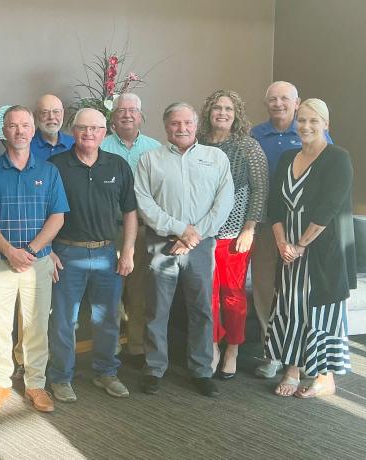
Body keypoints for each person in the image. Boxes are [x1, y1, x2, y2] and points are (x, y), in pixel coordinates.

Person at [0, 105, 68, 413]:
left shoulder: (49, 171)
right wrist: (10, 251)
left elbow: (57, 217)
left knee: (36, 325)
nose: (20, 131)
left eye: (25, 125)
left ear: (32, 129)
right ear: (5, 132)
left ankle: (36, 384)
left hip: (37, 263)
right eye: (13, 126)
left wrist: (32, 250)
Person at [134, 102, 233, 397]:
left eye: (187, 123)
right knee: (157, 309)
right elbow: (144, 203)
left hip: (201, 246)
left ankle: (201, 371)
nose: (182, 128)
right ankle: (154, 368)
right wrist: (180, 229)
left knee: (202, 309)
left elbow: (223, 201)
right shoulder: (149, 160)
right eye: (176, 123)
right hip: (161, 243)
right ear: (166, 127)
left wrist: (194, 235)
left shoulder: (216, 158)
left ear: (196, 125)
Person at [266, 98, 354, 398]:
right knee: (290, 306)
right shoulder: (288, 156)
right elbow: (275, 207)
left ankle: (324, 376)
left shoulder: (337, 158)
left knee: (320, 311)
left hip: (320, 251)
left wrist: (301, 244)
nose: (306, 126)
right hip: (288, 250)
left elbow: (329, 208)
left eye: (314, 121)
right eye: (301, 120)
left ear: (326, 125)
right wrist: (282, 243)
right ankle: (291, 368)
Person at [48, 108, 137, 402]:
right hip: (66, 252)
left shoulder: (118, 166)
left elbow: (130, 212)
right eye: (83, 128)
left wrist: (128, 251)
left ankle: (106, 373)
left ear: (105, 132)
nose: (89, 134)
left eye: (96, 128)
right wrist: (47, 251)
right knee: (64, 320)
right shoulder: (55, 166)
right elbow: (42, 213)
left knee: (108, 318)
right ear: (73, 131)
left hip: (106, 254)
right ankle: (61, 377)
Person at [250, 81, 333, 378]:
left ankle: (300, 358)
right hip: (267, 223)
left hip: (304, 229)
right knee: (263, 288)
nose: (278, 103)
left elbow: (330, 183)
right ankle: (270, 351)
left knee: (298, 293)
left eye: (285, 98)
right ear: (266, 103)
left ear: (296, 103)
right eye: (272, 98)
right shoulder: (256, 135)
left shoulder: (312, 133)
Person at [196, 90, 268, 379]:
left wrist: (249, 229)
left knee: (232, 294)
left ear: (236, 114)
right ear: (208, 112)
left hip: (234, 233)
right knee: (207, 295)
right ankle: (212, 344)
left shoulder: (248, 147)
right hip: (202, 233)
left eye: (228, 108)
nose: (222, 113)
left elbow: (261, 190)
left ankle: (233, 349)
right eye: (217, 108)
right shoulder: (197, 144)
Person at [100, 93, 162, 366]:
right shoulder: (100, 147)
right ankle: (111, 347)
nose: (127, 114)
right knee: (112, 293)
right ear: (112, 117)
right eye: (121, 110)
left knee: (139, 293)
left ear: (141, 116)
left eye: (132, 110)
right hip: (110, 231)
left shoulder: (156, 148)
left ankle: (136, 346)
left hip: (144, 232)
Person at [30, 94, 74, 162]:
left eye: (56, 112)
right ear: (36, 115)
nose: (51, 117)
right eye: (45, 112)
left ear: (63, 114)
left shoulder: (74, 144)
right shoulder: (26, 145)